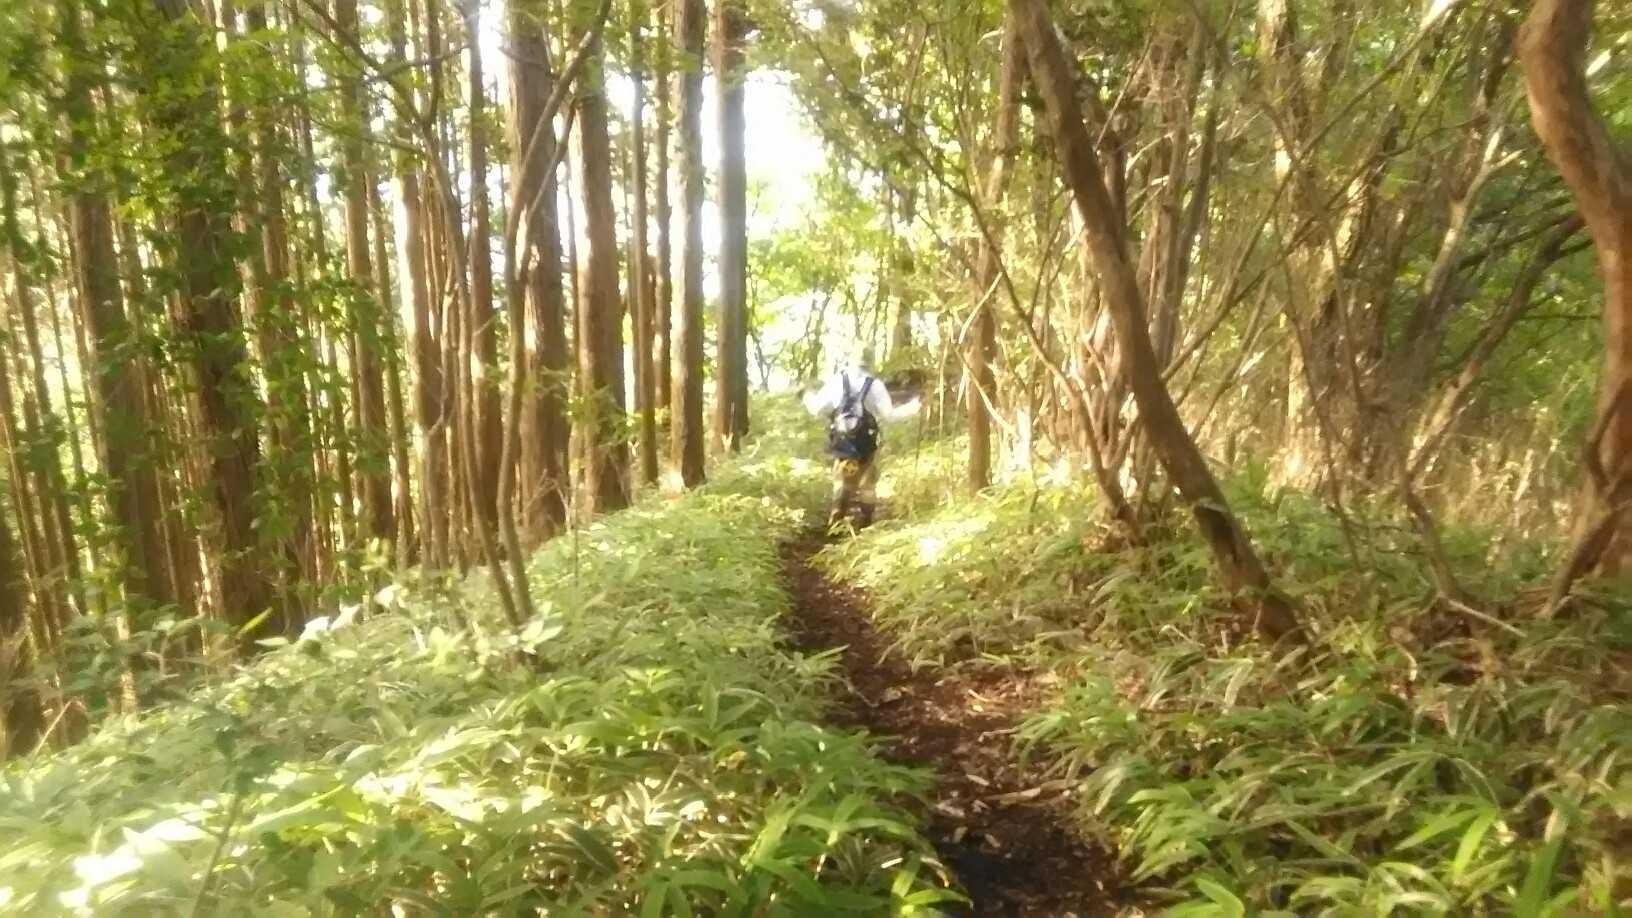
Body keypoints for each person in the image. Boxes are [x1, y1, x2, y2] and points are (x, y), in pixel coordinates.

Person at [803, 361, 915, 530]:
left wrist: (806, 395)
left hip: (843, 441)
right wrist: (914, 407)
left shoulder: (836, 381)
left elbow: (817, 410)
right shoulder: (875, 385)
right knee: (867, 482)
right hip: (866, 441)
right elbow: (889, 415)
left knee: (842, 480)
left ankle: (836, 521)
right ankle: (866, 523)